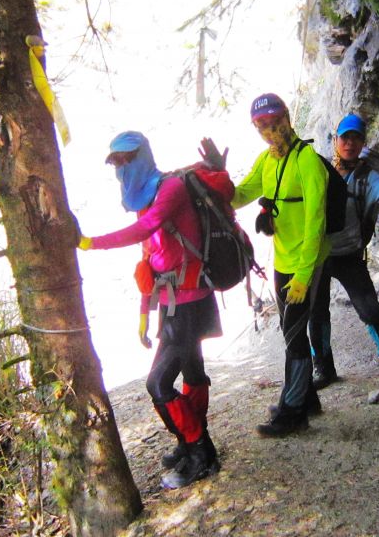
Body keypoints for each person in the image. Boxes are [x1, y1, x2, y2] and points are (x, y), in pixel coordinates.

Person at [77, 131, 221, 489]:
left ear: (144, 155)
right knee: (192, 372)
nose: (122, 167)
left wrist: (89, 243)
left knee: (158, 383)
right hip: (174, 304)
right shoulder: (145, 199)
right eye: (117, 162)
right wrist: (144, 316)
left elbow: (146, 228)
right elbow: (149, 264)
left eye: (128, 158)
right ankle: (190, 442)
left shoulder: (170, 189)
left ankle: (200, 451)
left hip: (191, 302)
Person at [231, 93, 329, 437]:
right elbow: (238, 196)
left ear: (287, 118)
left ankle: (293, 413)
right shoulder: (266, 160)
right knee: (292, 331)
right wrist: (214, 178)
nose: (270, 130)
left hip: (307, 263)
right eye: (261, 125)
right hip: (283, 260)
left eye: (274, 121)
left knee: (294, 337)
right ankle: (307, 398)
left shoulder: (308, 161)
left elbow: (316, 222)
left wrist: (304, 275)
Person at [309, 113, 379, 391]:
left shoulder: (367, 178)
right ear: (336, 140)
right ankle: (323, 369)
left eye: (356, 138)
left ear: (362, 143)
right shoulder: (319, 170)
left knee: (372, 312)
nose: (350, 143)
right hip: (318, 256)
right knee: (316, 315)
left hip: (349, 256)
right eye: (345, 137)